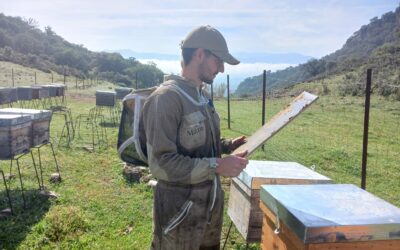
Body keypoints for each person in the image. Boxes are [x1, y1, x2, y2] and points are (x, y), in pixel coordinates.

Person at [140, 25, 249, 250]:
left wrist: (227, 146)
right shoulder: (166, 99)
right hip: (179, 216)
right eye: (218, 60)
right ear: (199, 54)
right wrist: (217, 165)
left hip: (209, 208)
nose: (221, 68)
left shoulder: (201, 94)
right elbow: (161, 164)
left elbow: (196, 144)